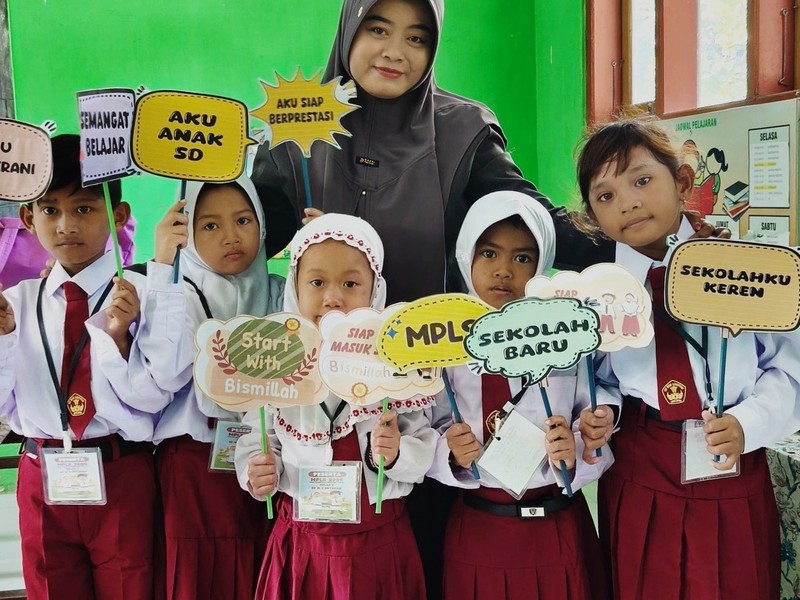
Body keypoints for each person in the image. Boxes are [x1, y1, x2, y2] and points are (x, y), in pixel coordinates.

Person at [251, 0, 613, 306]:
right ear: (349, 29)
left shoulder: (463, 131)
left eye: (416, 38)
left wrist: (634, 243)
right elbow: (248, 238)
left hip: (437, 355)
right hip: (324, 354)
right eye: (378, 30)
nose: (394, 52)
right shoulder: (294, 129)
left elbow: (535, 221)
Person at [575, 118, 800, 600]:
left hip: (731, 454)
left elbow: (788, 370)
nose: (627, 202)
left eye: (641, 180)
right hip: (639, 462)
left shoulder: (745, 268)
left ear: (681, 181)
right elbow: (600, 376)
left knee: (736, 583)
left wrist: (748, 423)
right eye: (606, 196)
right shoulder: (598, 293)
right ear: (593, 216)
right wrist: (603, 412)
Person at [0, 134, 175, 600]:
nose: (66, 226)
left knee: (131, 588)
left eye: (83, 208)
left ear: (117, 215)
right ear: (28, 217)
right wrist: (3, 341)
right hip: (41, 473)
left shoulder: (142, 297)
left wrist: (119, 339)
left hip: (122, 471)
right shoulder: (15, 305)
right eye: (50, 210)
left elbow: (157, 397)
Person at [235, 213, 437, 600]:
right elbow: (255, 440)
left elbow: (423, 445)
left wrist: (397, 454)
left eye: (350, 283)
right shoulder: (275, 364)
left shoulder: (397, 368)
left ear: (375, 291)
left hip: (378, 546)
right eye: (317, 282)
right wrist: (258, 470)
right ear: (294, 288)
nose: (332, 297)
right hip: (302, 547)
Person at [428, 190, 612, 599]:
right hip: (478, 529)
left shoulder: (566, 340)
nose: (503, 270)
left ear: (542, 263)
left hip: (558, 526)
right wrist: (449, 453)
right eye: (489, 254)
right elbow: (426, 427)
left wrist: (578, 442)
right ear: (466, 255)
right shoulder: (442, 346)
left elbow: (594, 411)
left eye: (523, 258)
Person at [143, 175, 285, 600]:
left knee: (265, 574)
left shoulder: (284, 295)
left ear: (261, 224)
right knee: (197, 579)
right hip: (194, 469)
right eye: (209, 225)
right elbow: (164, 375)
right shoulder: (176, 296)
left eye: (243, 220)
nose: (231, 236)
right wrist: (163, 267)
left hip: (270, 465)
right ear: (185, 232)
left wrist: (319, 253)